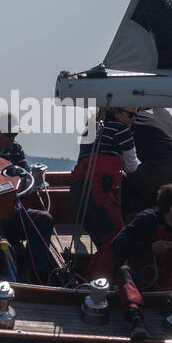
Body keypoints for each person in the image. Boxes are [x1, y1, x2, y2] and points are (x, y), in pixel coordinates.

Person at [88, 183, 172, 341]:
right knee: (123, 272)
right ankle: (136, 320)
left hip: (167, 280)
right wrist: (150, 247)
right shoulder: (147, 219)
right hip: (139, 275)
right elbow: (118, 243)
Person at [0, 111, 58, 283]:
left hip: (13, 212)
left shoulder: (16, 149)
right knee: (3, 246)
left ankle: (36, 274)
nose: (12, 139)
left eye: (15, 134)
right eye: (9, 134)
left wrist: (28, 179)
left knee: (44, 219)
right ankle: (13, 283)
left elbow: (27, 176)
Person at [69, 107, 139, 251]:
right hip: (100, 193)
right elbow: (132, 167)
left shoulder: (89, 130)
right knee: (114, 243)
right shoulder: (121, 130)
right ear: (116, 112)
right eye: (130, 115)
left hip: (78, 194)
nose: (134, 119)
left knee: (102, 244)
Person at [121, 107, 172, 217]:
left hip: (162, 168)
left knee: (117, 180)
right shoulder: (160, 109)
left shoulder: (124, 115)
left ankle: (124, 224)